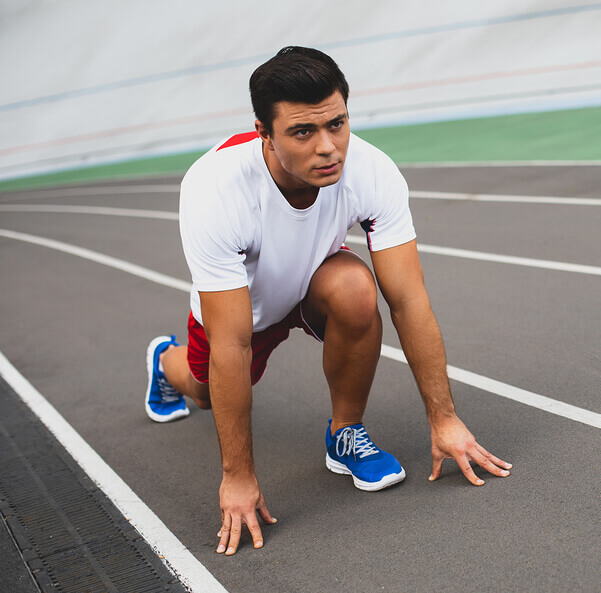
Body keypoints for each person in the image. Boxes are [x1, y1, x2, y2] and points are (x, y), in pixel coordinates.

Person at [143, 46, 511, 556]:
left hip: (316, 277)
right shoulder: (215, 189)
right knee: (205, 392)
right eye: (302, 132)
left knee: (359, 290)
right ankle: (166, 362)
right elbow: (231, 343)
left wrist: (444, 418)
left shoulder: (371, 169)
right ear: (263, 133)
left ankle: (345, 433)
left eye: (337, 123)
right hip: (243, 307)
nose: (329, 147)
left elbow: (407, 300)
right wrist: (238, 477)